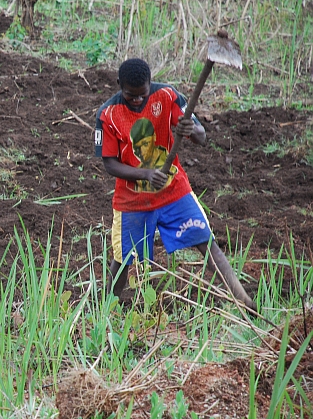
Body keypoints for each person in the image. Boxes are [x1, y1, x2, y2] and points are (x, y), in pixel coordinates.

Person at [94, 58, 255, 310]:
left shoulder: (167, 96)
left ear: (150, 84)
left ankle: (246, 302)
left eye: (141, 95)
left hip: (174, 192)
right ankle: (103, 311)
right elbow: (110, 164)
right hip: (132, 201)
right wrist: (145, 175)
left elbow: (201, 137)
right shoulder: (108, 114)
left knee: (206, 241)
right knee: (123, 258)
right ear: (119, 86)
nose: (136, 100)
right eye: (130, 96)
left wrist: (191, 129)